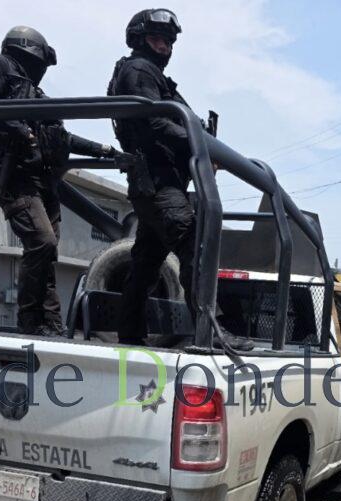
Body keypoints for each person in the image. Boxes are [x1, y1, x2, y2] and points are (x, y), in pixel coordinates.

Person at [108, 9, 253, 349]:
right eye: (157, 39)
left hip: (160, 182)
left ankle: (130, 334)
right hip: (157, 183)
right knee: (196, 244)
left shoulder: (153, 76)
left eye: (169, 42)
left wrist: (201, 140)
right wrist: (200, 144)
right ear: (140, 39)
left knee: (146, 262)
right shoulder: (138, 71)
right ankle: (209, 330)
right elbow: (153, 123)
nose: (164, 47)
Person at [0, 26, 116, 336]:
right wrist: (20, 130)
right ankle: (30, 321)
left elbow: (61, 137)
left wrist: (104, 151)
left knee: (47, 254)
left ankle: (50, 323)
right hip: (13, 172)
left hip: (42, 179)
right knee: (42, 242)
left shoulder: (35, 94)